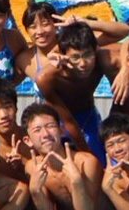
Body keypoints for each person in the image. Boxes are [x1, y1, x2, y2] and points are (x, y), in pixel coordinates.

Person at [33, 21, 119, 162]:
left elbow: (124, 32)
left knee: (102, 162)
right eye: (75, 57)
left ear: (95, 50)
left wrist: (125, 72)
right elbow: (68, 122)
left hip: (88, 115)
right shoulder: (47, 78)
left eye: (87, 55)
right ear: (63, 55)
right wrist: (88, 155)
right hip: (58, 121)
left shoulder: (101, 60)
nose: (83, 63)